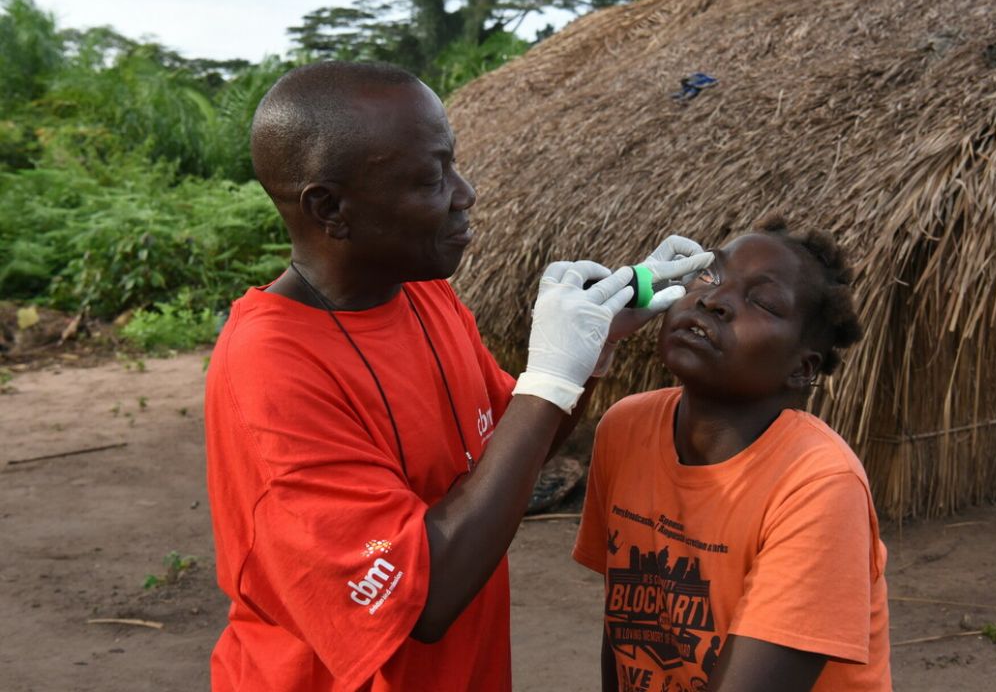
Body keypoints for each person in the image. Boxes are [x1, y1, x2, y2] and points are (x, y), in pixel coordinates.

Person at [204, 60, 711, 691]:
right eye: (431, 176)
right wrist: (550, 377)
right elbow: (425, 597)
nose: (465, 192)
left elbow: (516, 451)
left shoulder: (424, 297)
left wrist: (592, 350)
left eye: (454, 163)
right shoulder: (272, 368)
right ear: (330, 208)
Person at [573, 217, 892, 692]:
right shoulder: (624, 429)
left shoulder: (818, 483)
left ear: (802, 369)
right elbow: (627, 631)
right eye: (709, 273)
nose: (713, 300)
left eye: (761, 302)